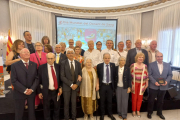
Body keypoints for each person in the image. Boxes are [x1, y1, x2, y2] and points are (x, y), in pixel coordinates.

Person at [11, 48, 39, 120]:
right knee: (19, 114)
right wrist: (25, 90)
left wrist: (32, 89)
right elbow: (14, 81)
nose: (26, 53)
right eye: (24, 52)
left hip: (31, 93)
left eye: (28, 52)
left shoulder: (34, 65)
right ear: (20, 55)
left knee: (32, 114)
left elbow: (37, 78)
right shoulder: (14, 65)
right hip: (19, 93)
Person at [147, 52, 172, 120]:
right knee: (151, 100)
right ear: (155, 57)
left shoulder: (167, 65)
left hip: (163, 86)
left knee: (161, 101)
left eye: (161, 56)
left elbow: (170, 75)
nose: (159, 58)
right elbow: (149, 75)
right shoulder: (151, 64)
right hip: (153, 85)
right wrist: (155, 82)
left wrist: (166, 81)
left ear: (162, 57)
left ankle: (159, 112)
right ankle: (149, 112)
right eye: (158, 56)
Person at [38, 53, 62, 120]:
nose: (50, 60)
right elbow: (38, 81)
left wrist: (60, 87)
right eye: (48, 58)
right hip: (46, 91)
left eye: (51, 58)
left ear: (54, 59)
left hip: (56, 91)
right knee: (46, 108)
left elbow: (61, 78)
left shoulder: (58, 67)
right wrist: (39, 92)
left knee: (57, 108)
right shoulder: (41, 68)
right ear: (46, 59)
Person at [60, 48, 82, 120]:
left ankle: (74, 117)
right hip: (67, 87)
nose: (70, 54)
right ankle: (66, 117)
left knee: (74, 103)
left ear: (74, 54)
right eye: (69, 53)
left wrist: (77, 84)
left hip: (75, 87)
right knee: (66, 103)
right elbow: (62, 76)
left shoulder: (78, 63)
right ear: (66, 55)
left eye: (72, 53)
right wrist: (71, 84)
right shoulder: (63, 63)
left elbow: (80, 75)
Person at [97, 53, 116, 120]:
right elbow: (98, 76)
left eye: (108, 58)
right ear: (103, 58)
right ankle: (102, 114)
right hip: (102, 86)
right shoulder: (99, 66)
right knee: (102, 101)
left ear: (110, 58)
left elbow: (114, 76)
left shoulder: (113, 65)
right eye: (106, 58)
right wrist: (98, 85)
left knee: (109, 101)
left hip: (110, 86)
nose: (107, 59)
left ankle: (110, 114)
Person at [130, 52, 149, 117]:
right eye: (139, 57)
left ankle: (138, 110)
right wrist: (130, 85)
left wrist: (146, 84)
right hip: (134, 84)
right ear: (136, 58)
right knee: (134, 98)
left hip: (142, 84)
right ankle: (134, 111)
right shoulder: (133, 65)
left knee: (140, 98)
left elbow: (146, 76)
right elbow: (129, 76)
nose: (141, 58)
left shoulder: (145, 66)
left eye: (142, 57)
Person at [30, 42, 47, 108]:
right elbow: (31, 65)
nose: (38, 46)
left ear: (42, 46)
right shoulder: (32, 55)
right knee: (36, 86)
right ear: (35, 47)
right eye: (36, 45)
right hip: (35, 73)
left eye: (39, 45)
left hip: (44, 73)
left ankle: (44, 101)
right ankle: (36, 102)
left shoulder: (46, 54)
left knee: (44, 86)